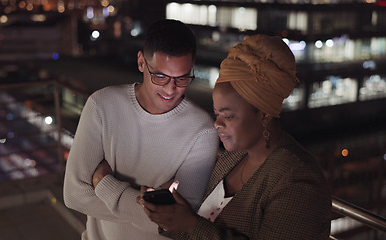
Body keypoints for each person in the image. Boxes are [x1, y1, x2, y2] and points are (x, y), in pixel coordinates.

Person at [138, 34, 332, 240]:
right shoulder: (232, 158)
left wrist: (190, 224)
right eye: (217, 113)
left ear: (264, 114)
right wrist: (173, 217)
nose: (217, 124)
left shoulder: (297, 181)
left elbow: (197, 228)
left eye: (228, 116)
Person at [63, 19, 220, 240]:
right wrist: (151, 210)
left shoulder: (202, 130)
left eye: (182, 78)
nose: (170, 89)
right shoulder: (102, 105)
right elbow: (74, 195)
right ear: (141, 62)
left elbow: (179, 222)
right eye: (160, 76)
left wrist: (104, 184)